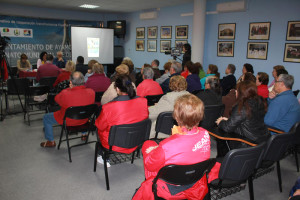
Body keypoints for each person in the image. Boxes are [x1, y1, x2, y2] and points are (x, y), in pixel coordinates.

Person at [133, 94, 220, 200]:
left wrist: (156, 149)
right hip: (194, 178)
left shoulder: (167, 144)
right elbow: (187, 148)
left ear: (177, 117)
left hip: (170, 184)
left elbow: (150, 165)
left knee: (148, 143)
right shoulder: (205, 134)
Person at [95, 75, 148, 165]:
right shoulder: (143, 101)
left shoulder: (108, 107)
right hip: (137, 141)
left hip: (114, 145)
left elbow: (100, 126)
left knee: (99, 128)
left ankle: (104, 157)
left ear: (117, 89)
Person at [40, 72, 95, 147]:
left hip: (68, 121)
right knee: (83, 109)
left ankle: (50, 141)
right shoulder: (92, 92)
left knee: (46, 117)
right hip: (84, 120)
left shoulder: (65, 93)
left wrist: (69, 89)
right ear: (83, 81)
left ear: (71, 82)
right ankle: (84, 134)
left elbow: (56, 99)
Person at [216, 81, 270, 151]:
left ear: (241, 92)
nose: (235, 91)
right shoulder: (260, 101)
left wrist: (221, 122)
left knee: (221, 134)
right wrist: (228, 120)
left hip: (248, 143)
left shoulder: (243, 106)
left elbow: (227, 128)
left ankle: (224, 159)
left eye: (237, 90)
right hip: (262, 139)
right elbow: (248, 122)